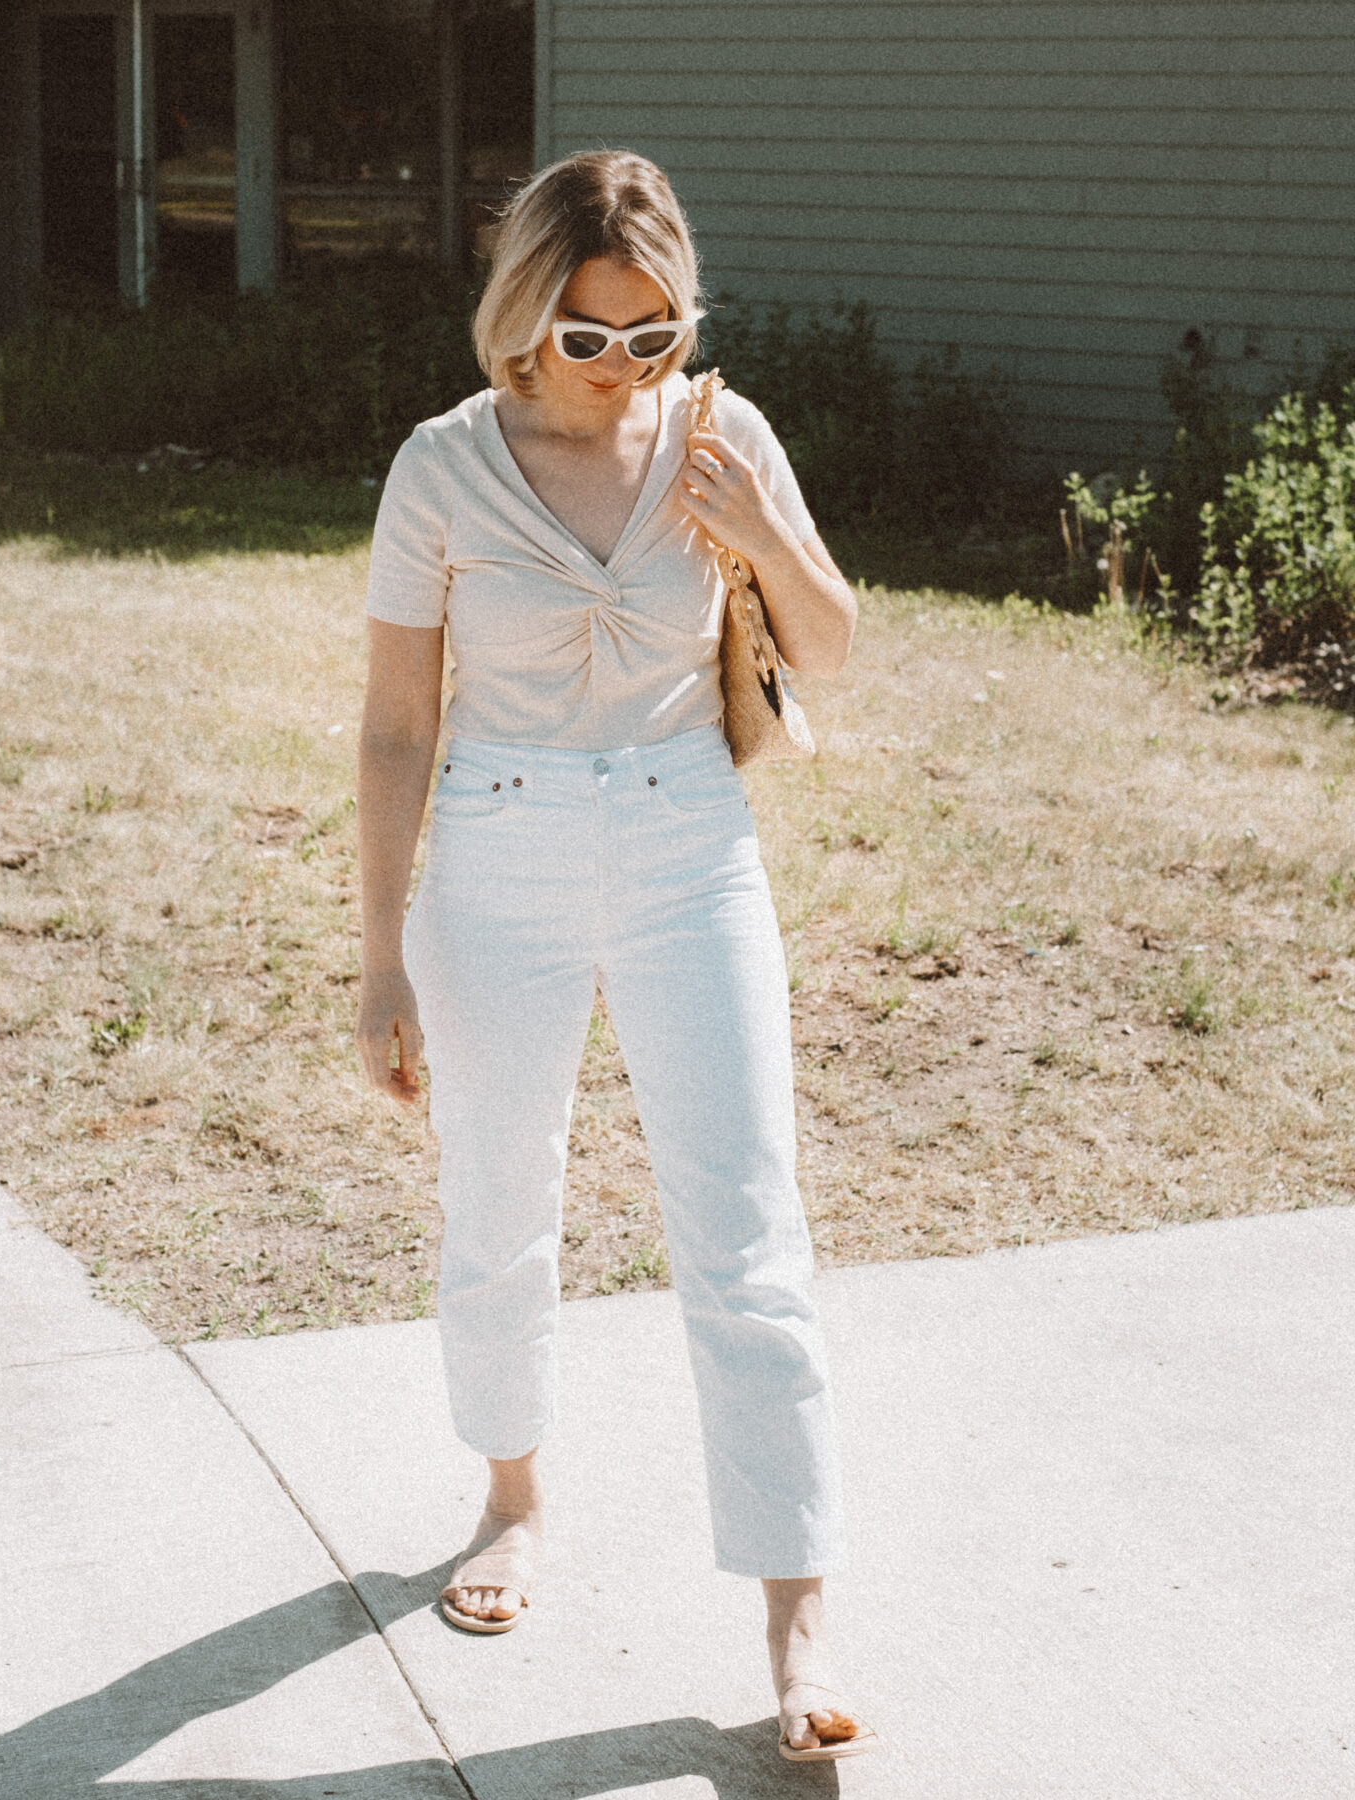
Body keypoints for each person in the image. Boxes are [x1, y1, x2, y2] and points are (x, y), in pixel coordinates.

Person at [356, 149, 872, 1763]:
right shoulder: (439, 470)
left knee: (746, 1222)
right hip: (494, 854)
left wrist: (762, 532)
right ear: (526, 318)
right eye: (594, 340)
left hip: (686, 840)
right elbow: (392, 727)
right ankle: (510, 1503)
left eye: (659, 335)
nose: (628, 371)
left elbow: (833, 643)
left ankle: (797, 1613)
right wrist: (377, 955)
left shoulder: (722, 436)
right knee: (499, 1200)